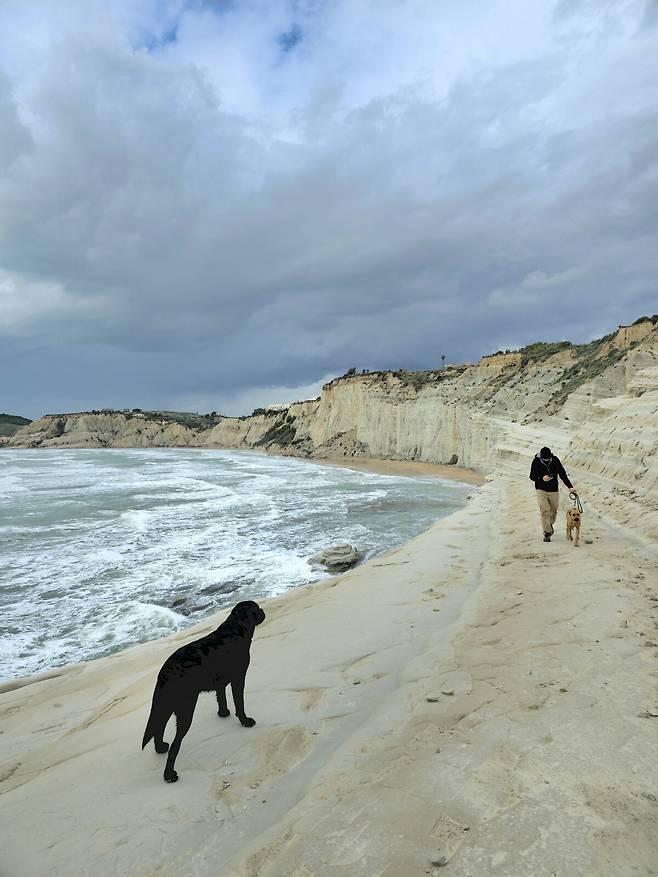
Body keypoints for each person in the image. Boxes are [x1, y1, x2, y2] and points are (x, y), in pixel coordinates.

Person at [529, 446, 576, 542]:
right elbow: (532, 476)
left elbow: (562, 474)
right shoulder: (536, 461)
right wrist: (541, 478)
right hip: (540, 489)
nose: (546, 460)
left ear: (551, 456)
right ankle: (547, 533)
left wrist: (570, 487)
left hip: (553, 490)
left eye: (548, 459)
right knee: (544, 510)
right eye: (544, 459)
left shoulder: (555, 460)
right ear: (541, 457)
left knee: (553, 512)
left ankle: (549, 524)